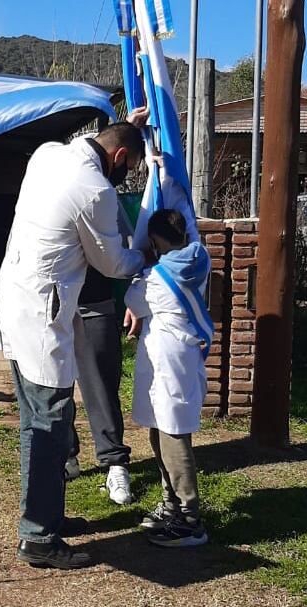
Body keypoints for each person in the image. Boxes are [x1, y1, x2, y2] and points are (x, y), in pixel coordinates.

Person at [0, 109, 151, 570]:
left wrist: (128, 125)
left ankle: (46, 517)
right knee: (49, 424)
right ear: (118, 158)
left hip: (15, 300)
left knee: (37, 421)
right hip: (41, 313)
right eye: (129, 168)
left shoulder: (47, 155)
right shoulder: (95, 190)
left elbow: (100, 144)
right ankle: (39, 538)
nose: (125, 178)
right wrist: (147, 254)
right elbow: (112, 264)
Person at [124, 208, 212, 547]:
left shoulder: (155, 278)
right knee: (162, 427)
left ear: (155, 240)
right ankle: (172, 505)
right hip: (183, 355)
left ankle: (189, 520)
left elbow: (133, 301)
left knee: (172, 433)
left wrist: (142, 265)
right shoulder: (200, 259)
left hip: (166, 358)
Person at [64, 216, 136, 506]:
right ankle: (65, 455)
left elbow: (131, 247)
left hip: (95, 304)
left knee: (102, 389)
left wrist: (137, 296)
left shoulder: (103, 199)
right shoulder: (42, 196)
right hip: (53, 306)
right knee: (54, 388)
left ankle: (115, 463)